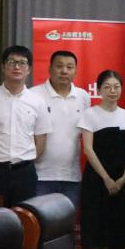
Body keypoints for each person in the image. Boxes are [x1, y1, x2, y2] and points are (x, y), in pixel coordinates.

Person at [0, 45, 52, 206]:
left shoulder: (37, 102)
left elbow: (41, 140)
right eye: (11, 62)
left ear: (29, 69)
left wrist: (25, 162)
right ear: (3, 67)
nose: (16, 67)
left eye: (22, 63)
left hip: (24, 174)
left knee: (24, 217)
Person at [78, 70, 125, 249]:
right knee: (95, 230)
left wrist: (124, 177)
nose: (112, 91)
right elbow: (88, 150)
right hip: (96, 180)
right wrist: (106, 178)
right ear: (99, 90)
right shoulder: (90, 114)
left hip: (120, 180)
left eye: (116, 87)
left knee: (111, 230)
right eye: (107, 87)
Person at [32, 50, 90, 209]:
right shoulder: (33, 95)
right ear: (50, 69)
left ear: (75, 71)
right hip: (40, 176)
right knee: (39, 221)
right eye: (59, 66)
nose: (64, 71)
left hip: (72, 177)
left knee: (67, 222)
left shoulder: (83, 97)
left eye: (70, 67)